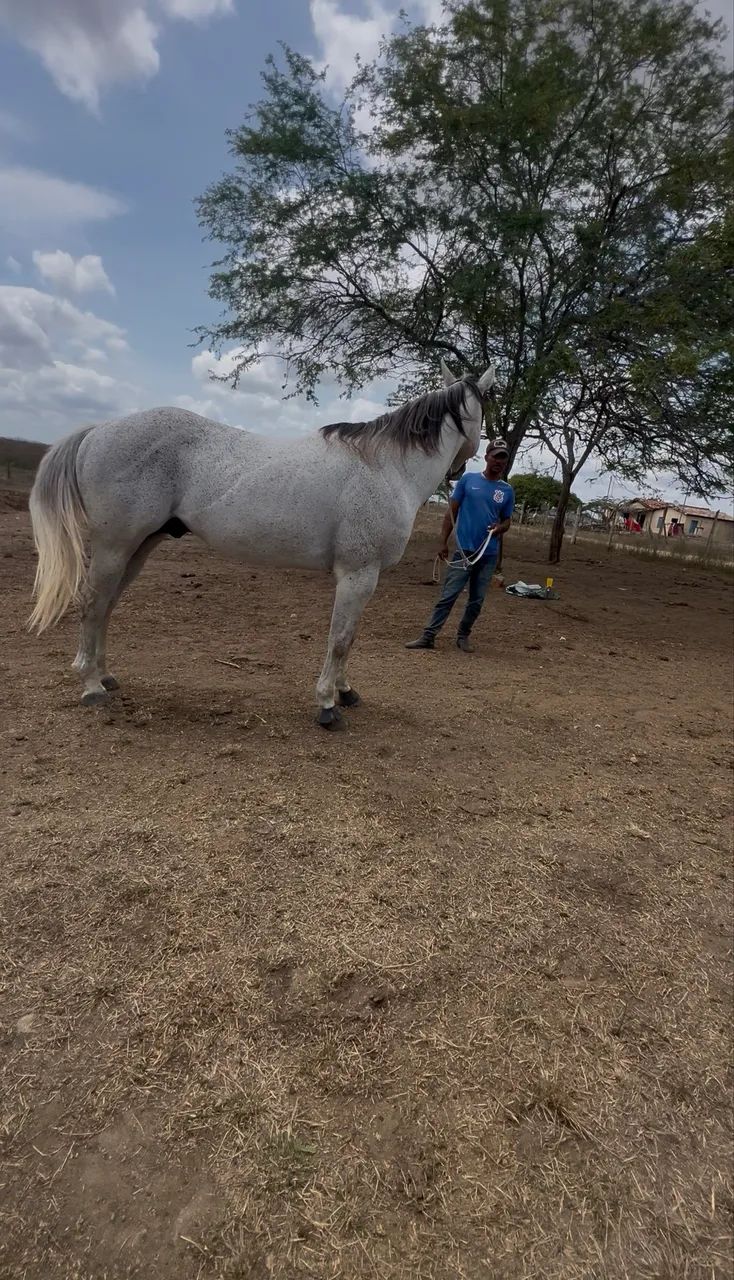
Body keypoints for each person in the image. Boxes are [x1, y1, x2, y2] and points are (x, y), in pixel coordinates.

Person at [406, 438, 514, 652]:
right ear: (487, 457)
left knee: (476, 600)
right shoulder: (468, 480)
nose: (499, 462)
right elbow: (451, 513)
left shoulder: (507, 491)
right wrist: (443, 542)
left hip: (488, 554)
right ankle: (428, 636)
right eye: (496, 457)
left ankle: (463, 635)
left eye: (503, 458)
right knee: (449, 595)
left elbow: (507, 521)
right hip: (464, 551)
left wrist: (500, 527)